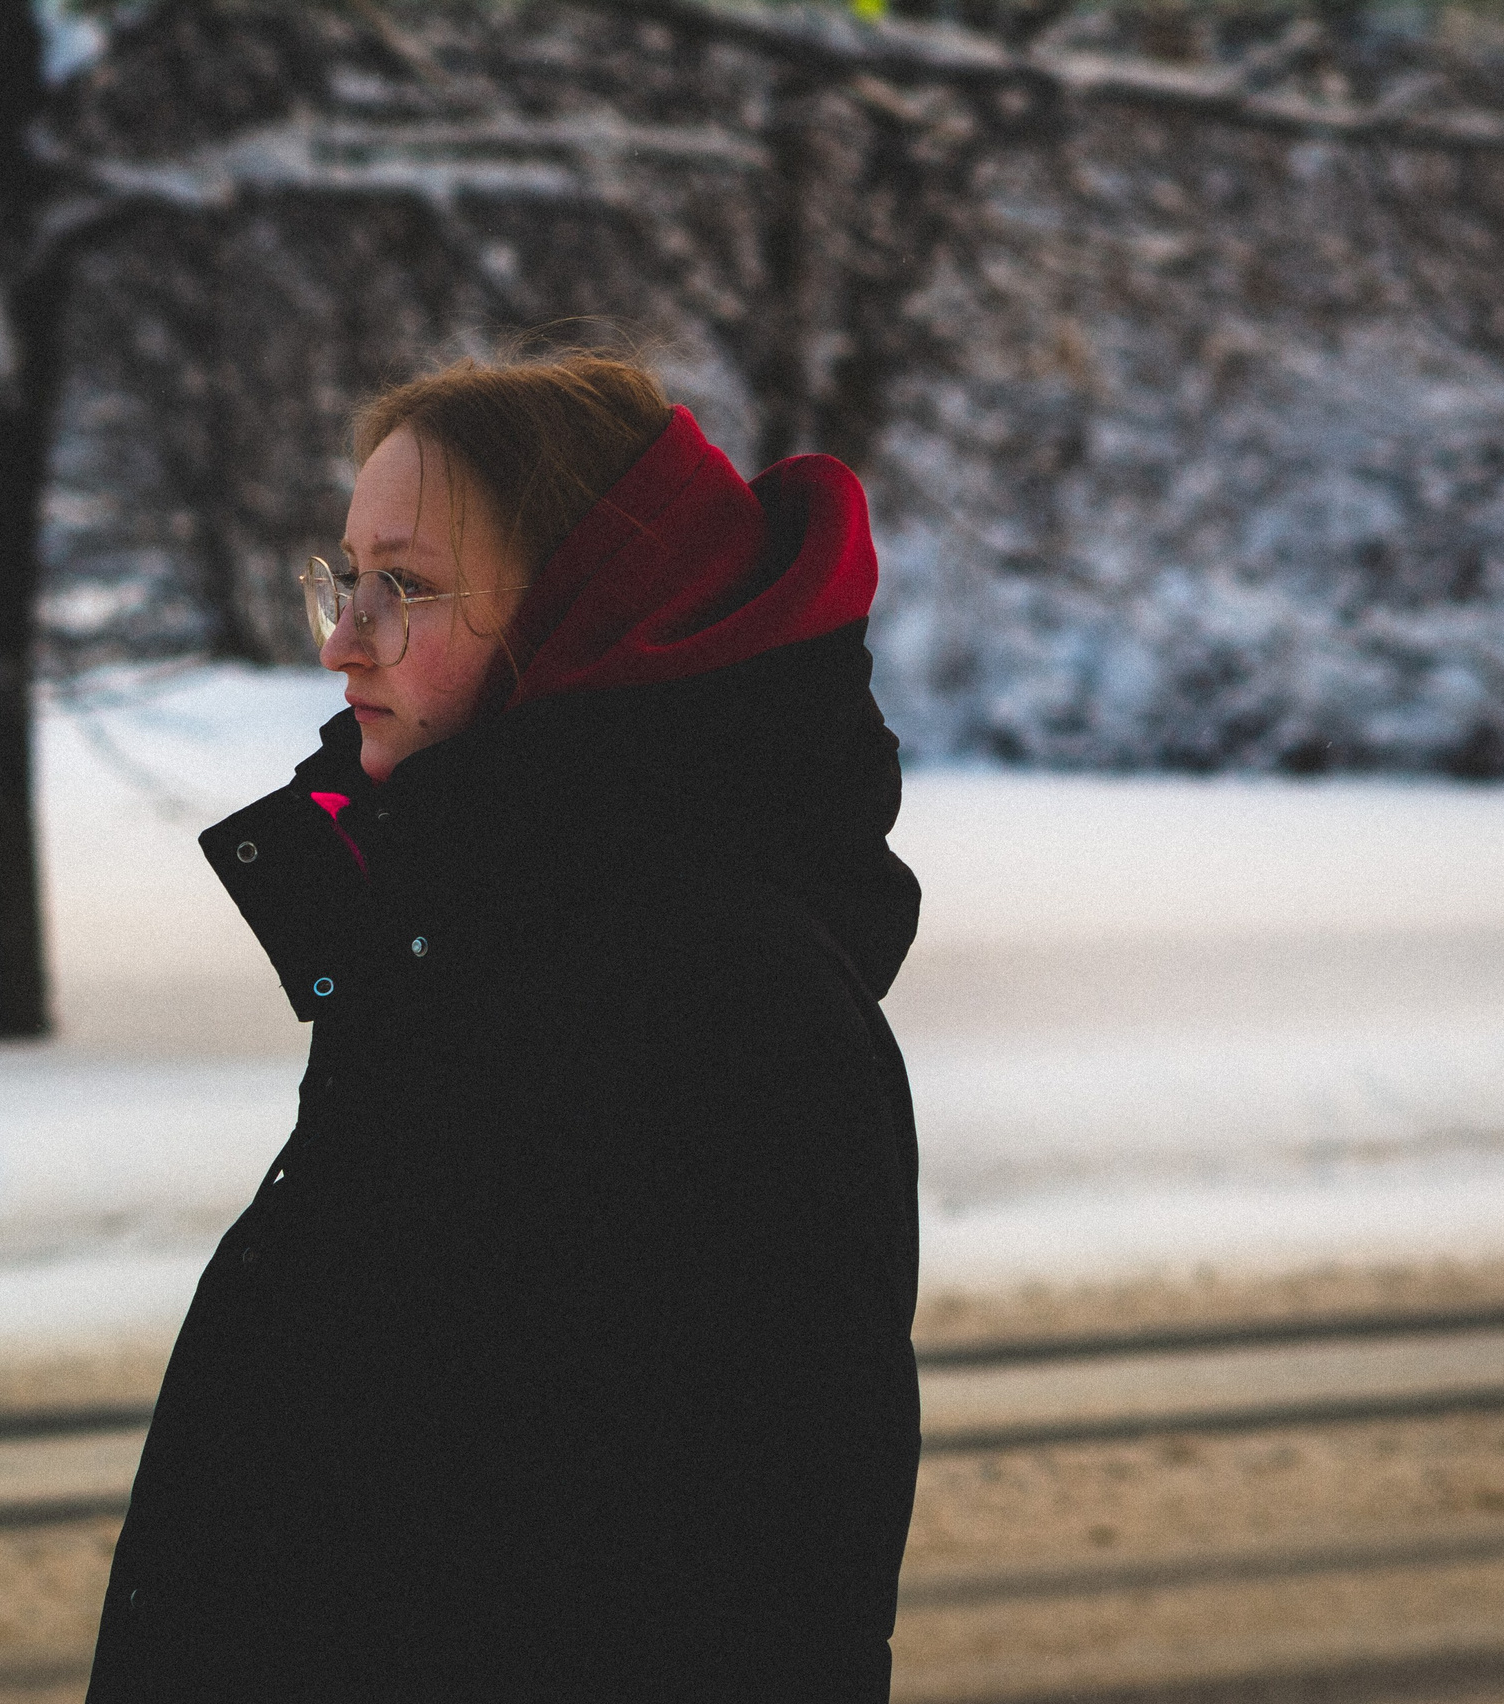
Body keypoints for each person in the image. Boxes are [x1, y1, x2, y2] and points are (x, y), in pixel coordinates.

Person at [84, 352, 922, 1702]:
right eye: (342, 579)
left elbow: (760, 1611)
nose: (341, 639)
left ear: (589, 611)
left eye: (404, 587)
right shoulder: (463, 942)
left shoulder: (725, 1014)